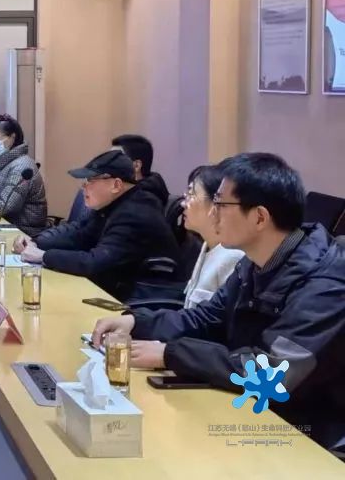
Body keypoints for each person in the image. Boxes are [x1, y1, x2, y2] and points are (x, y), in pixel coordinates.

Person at [92, 153, 345, 457]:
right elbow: (207, 317)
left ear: (259, 218)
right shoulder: (255, 262)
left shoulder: (327, 283)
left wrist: (171, 354)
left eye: (221, 204)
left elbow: (272, 374)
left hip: (313, 433)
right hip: (259, 412)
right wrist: (137, 321)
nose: (212, 214)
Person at [15, 150, 181, 301]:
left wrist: (43, 256)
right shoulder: (113, 204)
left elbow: (94, 263)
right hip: (115, 288)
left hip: (142, 300)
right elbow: (79, 233)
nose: (83, 186)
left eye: (90, 180)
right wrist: (35, 241)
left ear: (116, 185)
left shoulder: (135, 213)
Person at [179, 164, 245, 308]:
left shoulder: (232, 256)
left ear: (216, 202)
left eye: (191, 195)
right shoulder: (207, 245)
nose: (183, 203)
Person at [69, 133, 170, 222]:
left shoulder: (143, 203)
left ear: (136, 166)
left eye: (117, 157)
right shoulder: (117, 192)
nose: (110, 162)